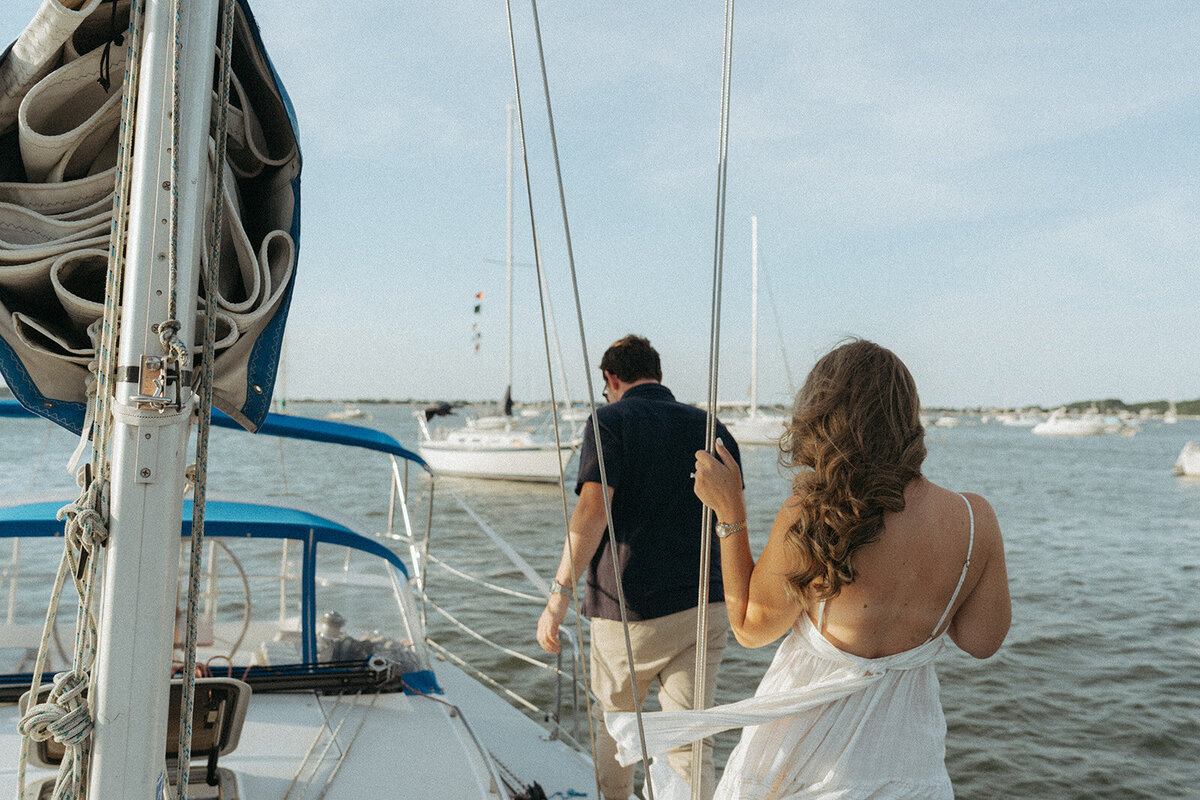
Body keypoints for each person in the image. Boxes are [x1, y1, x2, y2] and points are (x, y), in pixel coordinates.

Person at [606, 338, 1011, 799]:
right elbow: (982, 641)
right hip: (905, 763)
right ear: (907, 417)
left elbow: (749, 627)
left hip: (803, 761)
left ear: (823, 416)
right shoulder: (974, 519)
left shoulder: (814, 513)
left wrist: (730, 511)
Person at [536, 334, 742, 800]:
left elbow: (592, 512)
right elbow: (734, 515)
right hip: (705, 607)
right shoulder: (712, 426)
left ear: (612, 379)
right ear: (658, 375)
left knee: (615, 729)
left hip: (628, 612)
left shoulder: (609, 420)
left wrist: (558, 596)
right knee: (690, 742)